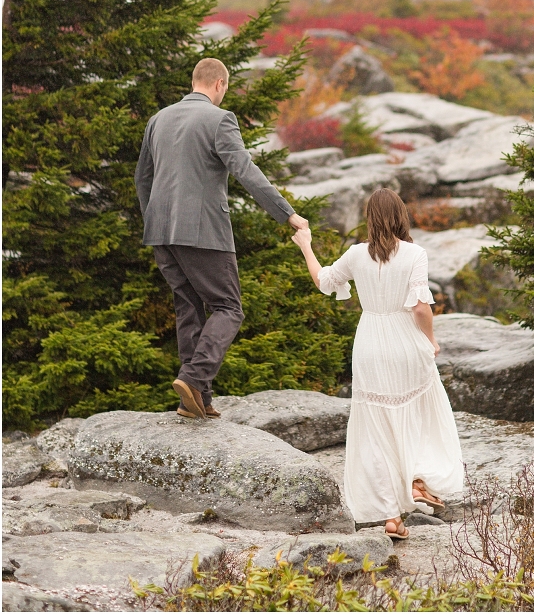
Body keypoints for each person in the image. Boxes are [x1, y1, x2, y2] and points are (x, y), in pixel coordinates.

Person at [134, 57, 309, 421]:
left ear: (194, 81)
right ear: (219, 84)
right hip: (203, 232)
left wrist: (153, 218)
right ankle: (194, 378)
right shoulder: (220, 119)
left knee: (188, 307)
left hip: (160, 232)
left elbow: (142, 179)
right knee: (229, 307)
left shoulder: (158, 119)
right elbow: (245, 170)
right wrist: (287, 213)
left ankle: (196, 400)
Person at [291, 187, 464, 540]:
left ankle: (391, 517)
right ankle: (417, 481)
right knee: (421, 416)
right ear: (401, 216)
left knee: (375, 431)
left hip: (369, 342)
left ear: (370, 218)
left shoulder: (356, 254)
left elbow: (324, 281)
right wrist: (431, 340)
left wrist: (306, 245)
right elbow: (420, 307)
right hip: (405, 341)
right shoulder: (415, 253)